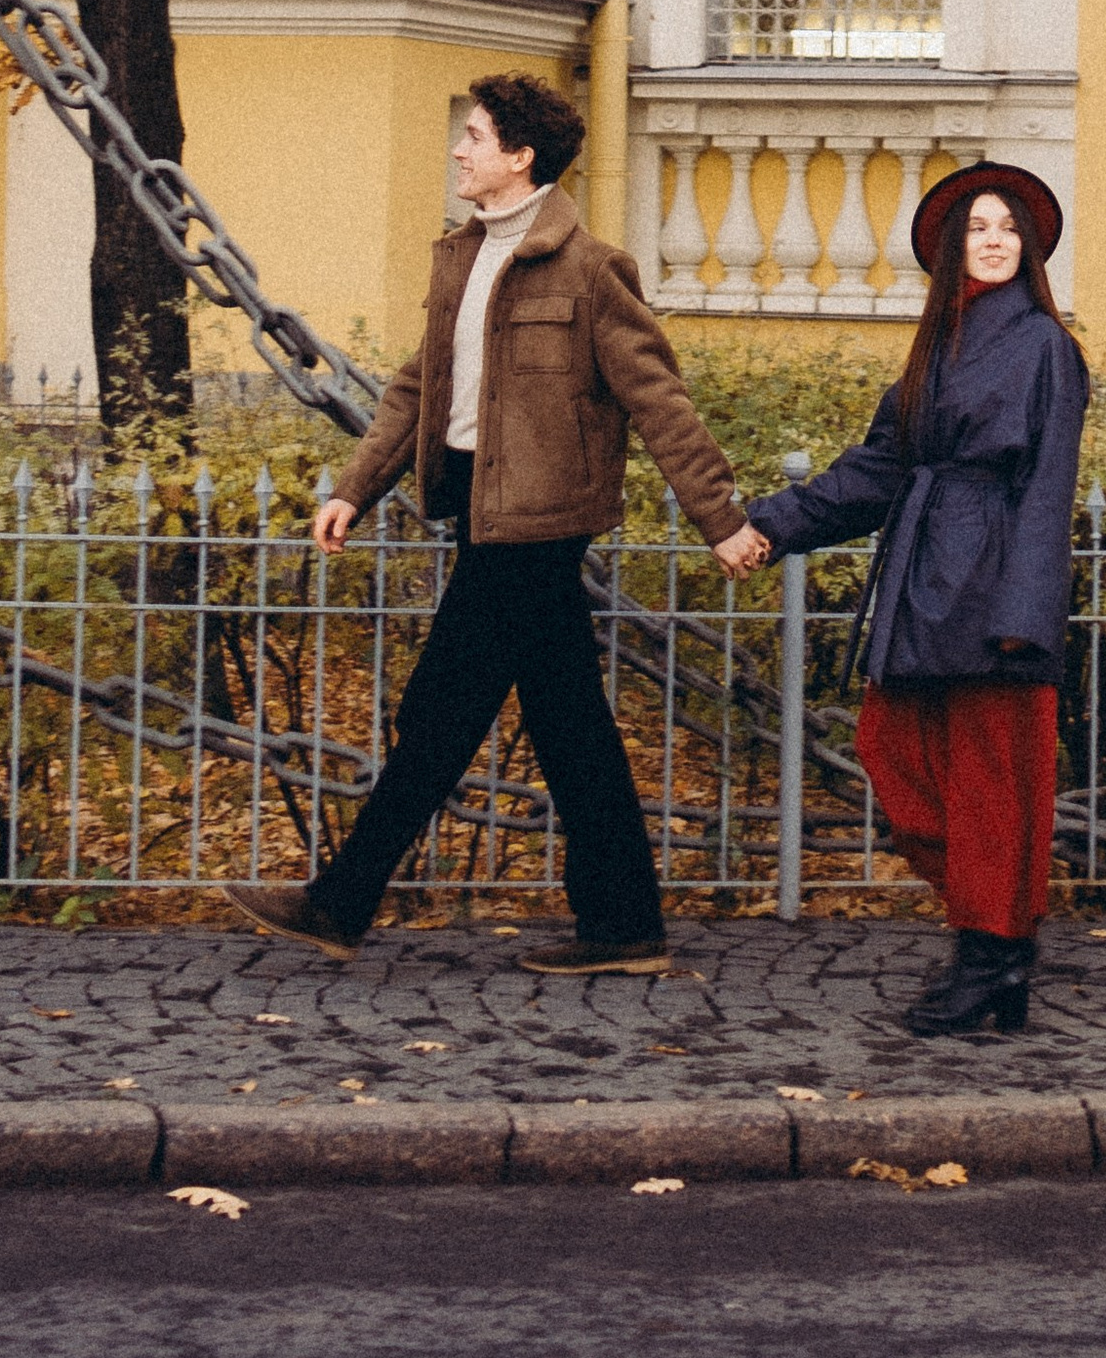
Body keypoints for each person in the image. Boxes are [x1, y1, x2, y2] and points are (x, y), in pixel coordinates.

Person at [226, 73, 768, 974]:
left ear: (521, 157)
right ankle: (622, 924)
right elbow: (417, 388)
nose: (459, 148)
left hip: (541, 524)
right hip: (478, 511)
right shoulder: (461, 257)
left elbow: (659, 399)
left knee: (441, 711)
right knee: (570, 723)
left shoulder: (591, 269)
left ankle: (341, 901)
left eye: (475, 136)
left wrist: (721, 518)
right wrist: (355, 489)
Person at [724, 164, 1087, 1036]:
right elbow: (875, 471)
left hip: (995, 594)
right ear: (953, 247)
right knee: (896, 756)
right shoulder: (939, 347)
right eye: (978, 228)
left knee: (990, 785)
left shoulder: (1045, 346)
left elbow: (1047, 490)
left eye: (1008, 228)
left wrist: (1024, 618)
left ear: (1029, 248)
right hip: (926, 584)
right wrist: (766, 526)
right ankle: (995, 939)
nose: (994, 241)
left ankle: (990, 955)